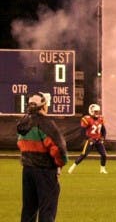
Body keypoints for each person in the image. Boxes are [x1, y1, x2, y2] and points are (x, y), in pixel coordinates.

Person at [16, 91, 68, 222]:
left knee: (29, 209)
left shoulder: (23, 123)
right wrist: (59, 164)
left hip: (27, 170)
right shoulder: (45, 123)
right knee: (47, 209)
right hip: (44, 171)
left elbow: (20, 143)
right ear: (43, 106)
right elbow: (58, 148)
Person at [67, 104, 108, 174]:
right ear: (91, 111)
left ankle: (102, 169)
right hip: (91, 140)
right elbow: (82, 131)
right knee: (84, 155)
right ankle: (72, 167)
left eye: (98, 111)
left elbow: (103, 130)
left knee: (104, 155)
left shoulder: (101, 119)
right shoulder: (87, 119)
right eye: (95, 112)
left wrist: (103, 137)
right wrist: (88, 138)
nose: (97, 113)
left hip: (98, 140)